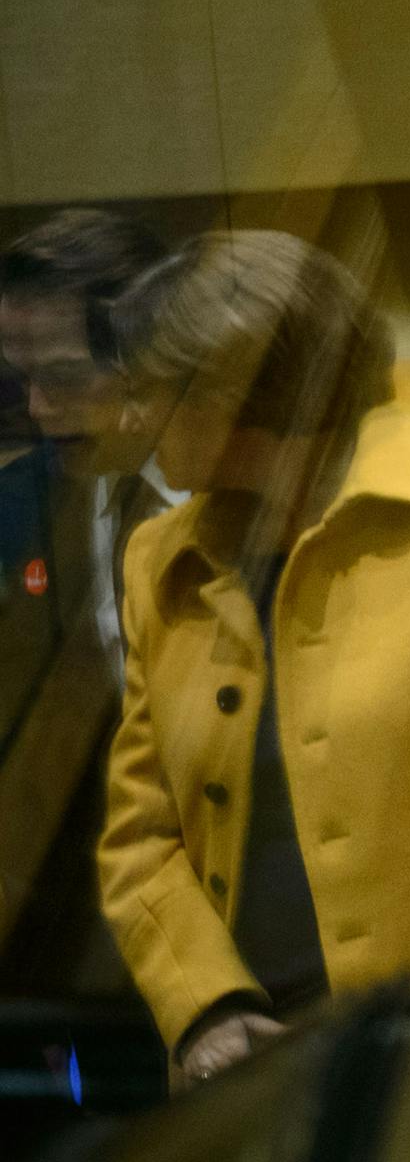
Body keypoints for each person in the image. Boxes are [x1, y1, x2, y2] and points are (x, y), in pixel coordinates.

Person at [96, 230, 410, 1083]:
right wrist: (205, 1007)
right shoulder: (160, 559)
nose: (130, 419)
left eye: (148, 389)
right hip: (266, 1076)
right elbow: (140, 837)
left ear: (231, 387)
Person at [0, 209, 178, 992]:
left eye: (64, 378)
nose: (37, 409)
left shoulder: (264, 492)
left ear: (150, 356)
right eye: (19, 379)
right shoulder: (19, 508)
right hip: (86, 951)